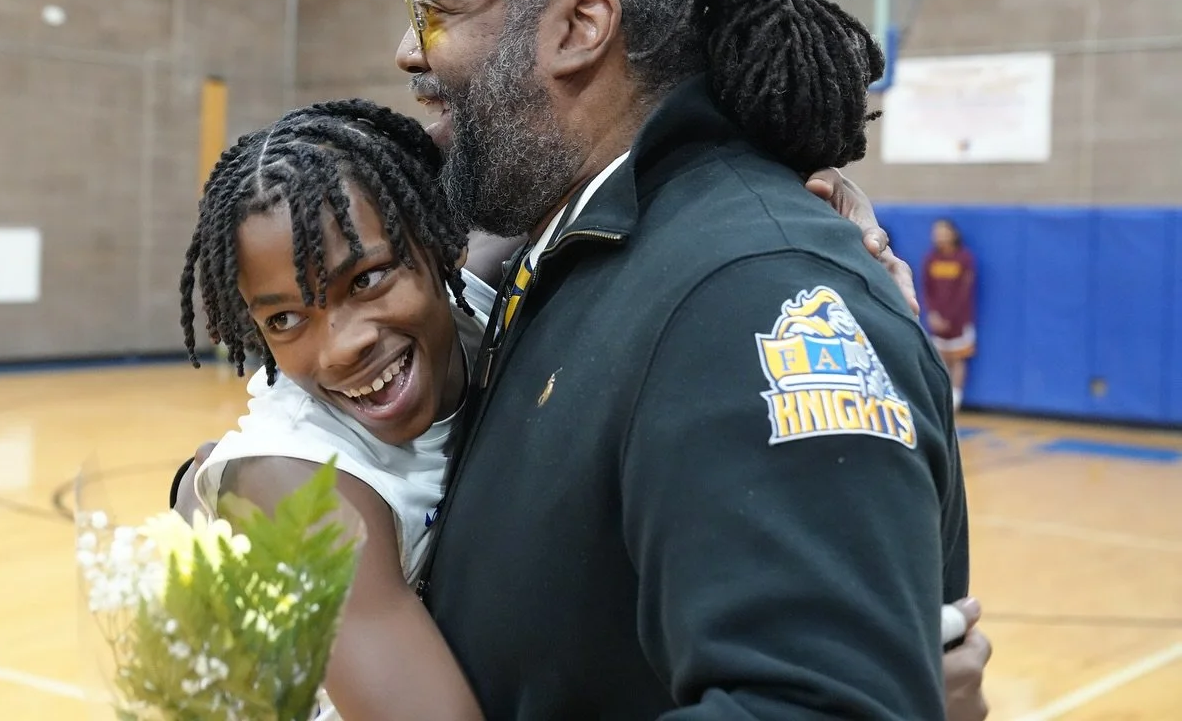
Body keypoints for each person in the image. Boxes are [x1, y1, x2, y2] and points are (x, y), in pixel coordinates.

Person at [390, 0, 968, 719]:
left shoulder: (751, 290)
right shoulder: (577, 251)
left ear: (579, 29)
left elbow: (818, 705)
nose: (407, 49)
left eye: (436, 6)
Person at [169, 99, 969, 721]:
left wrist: (838, 224)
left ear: (437, 242)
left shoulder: (489, 283)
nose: (338, 345)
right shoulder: (299, 487)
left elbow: (647, 155)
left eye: (367, 279)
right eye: (284, 320)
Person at [923, 218, 978, 411]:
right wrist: (933, 314)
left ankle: (955, 398)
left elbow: (964, 292)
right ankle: (941, 397)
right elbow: (927, 290)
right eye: (936, 232)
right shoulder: (931, 259)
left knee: (958, 359)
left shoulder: (964, 259)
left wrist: (951, 317)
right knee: (939, 359)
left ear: (953, 233)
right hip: (937, 320)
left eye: (942, 231)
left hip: (959, 320)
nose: (938, 235)